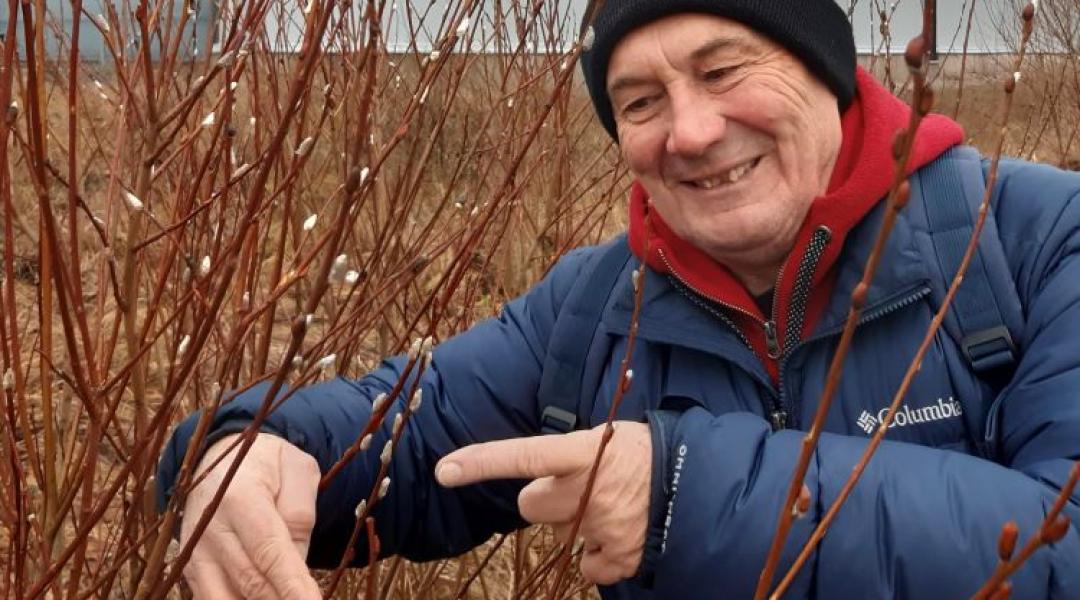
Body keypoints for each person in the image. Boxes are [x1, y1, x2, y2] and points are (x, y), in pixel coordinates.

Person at [157, 1, 1080, 598]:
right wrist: (245, 449)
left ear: (826, 75)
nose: (690, 130)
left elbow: (1065, 551)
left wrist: (685, 492)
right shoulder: (601, 305)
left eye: (723, 72)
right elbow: (416, 425)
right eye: (639, 102)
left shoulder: (1034, 240)